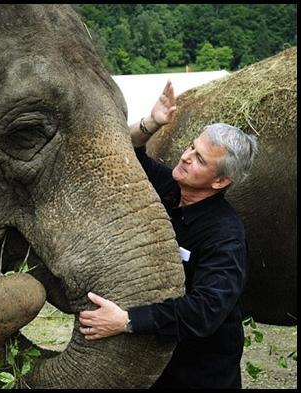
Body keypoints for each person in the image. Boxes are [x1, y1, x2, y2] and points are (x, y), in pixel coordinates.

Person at [78, 80, 258, 389]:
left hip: (200, 373)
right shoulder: (172, 188)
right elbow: (127, 155)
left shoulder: (224, 235)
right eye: (192, 147)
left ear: (219, 182)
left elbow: (205, 311)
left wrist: (127, 320)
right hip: (159, 358)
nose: (186, 157)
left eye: (200, 160)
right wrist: (151, 124)